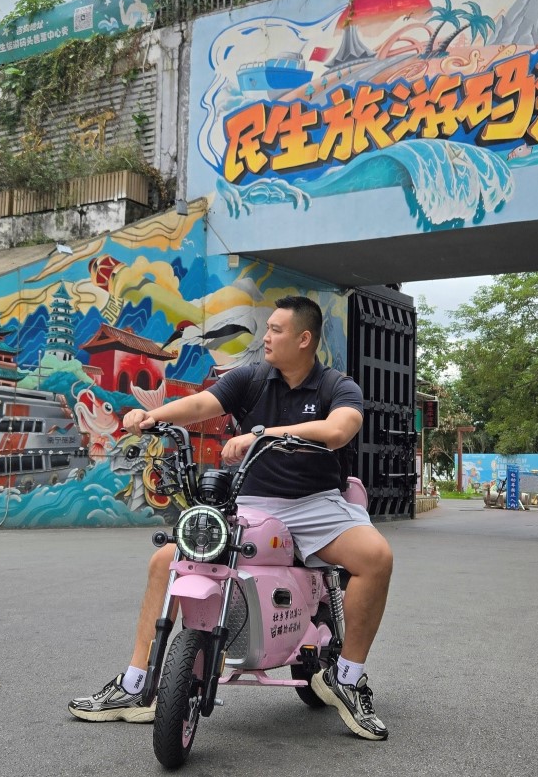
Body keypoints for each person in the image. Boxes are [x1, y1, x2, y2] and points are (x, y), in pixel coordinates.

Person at [68, 296, 393, 740]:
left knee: (376, 557)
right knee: (165, 561)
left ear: (304, 339)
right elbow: (200, 405)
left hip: (315, 504)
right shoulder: (250, 378)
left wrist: (262, 434)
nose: (266, 337)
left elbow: (338, 431)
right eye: (267, 328)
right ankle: (136, 684)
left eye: (276, 330)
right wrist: (150, 416)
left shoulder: (337, 386)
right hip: (252, 504)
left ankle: (348, 677)